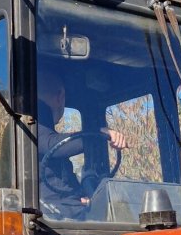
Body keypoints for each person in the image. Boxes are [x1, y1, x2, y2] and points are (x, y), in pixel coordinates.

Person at [37, 69, 129, 221]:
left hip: (62, 205)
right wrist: (98, 134)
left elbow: (61, 177)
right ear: (61, 96)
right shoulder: (32, 125)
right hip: (49, 212)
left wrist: (80, 195)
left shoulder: (41, 132)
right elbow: (51, 145)